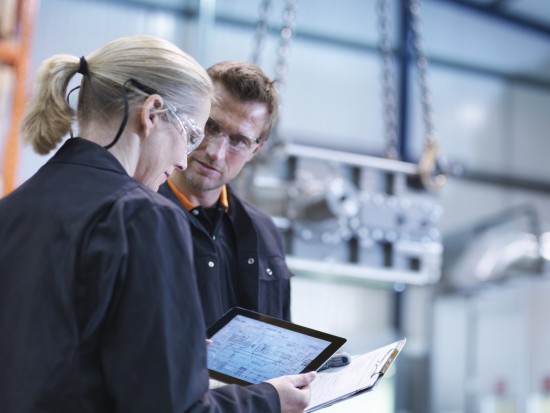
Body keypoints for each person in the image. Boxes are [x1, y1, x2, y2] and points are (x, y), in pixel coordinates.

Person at [0, 35, 315, 413]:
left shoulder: (12, 209)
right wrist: (268, 400)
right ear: (151, 113)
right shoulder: (142, 216)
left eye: (237, 141)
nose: (187, 158)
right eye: (195, 133)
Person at [159, 61, 292, 328]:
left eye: (238, 141)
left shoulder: (264, 232)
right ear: (189, 118)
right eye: (210, 127)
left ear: (255, 151)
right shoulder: (137, 216)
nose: (215, 153)